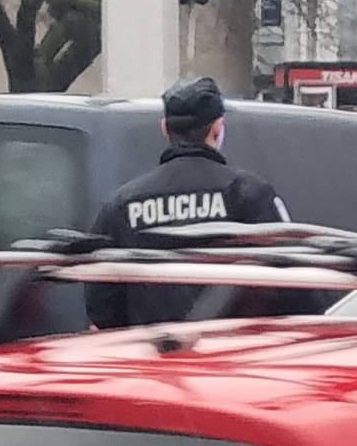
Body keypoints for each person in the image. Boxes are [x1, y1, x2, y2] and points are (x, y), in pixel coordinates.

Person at [85, 77, 294, 329]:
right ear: (218, 128)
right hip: (232, 358)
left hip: (151, 361)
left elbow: (101, 308)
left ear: (164, 128)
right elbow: (291, 289)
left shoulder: (122, 205)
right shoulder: (249, 195)